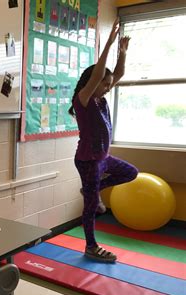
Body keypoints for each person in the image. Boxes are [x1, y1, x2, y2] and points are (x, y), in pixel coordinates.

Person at [68, 19, 138, 263]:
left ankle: (93, 190)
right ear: (94, 83)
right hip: (88, 160)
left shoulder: (100, 99)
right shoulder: (84, 98)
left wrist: (123, 53)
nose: (109, 87)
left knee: (131, 173)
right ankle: (90, 246)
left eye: (109, 85)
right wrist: (108, 43)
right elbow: (99, 73)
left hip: (103, 159)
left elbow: (117, 73)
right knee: (90, 206)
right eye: (105, 85)